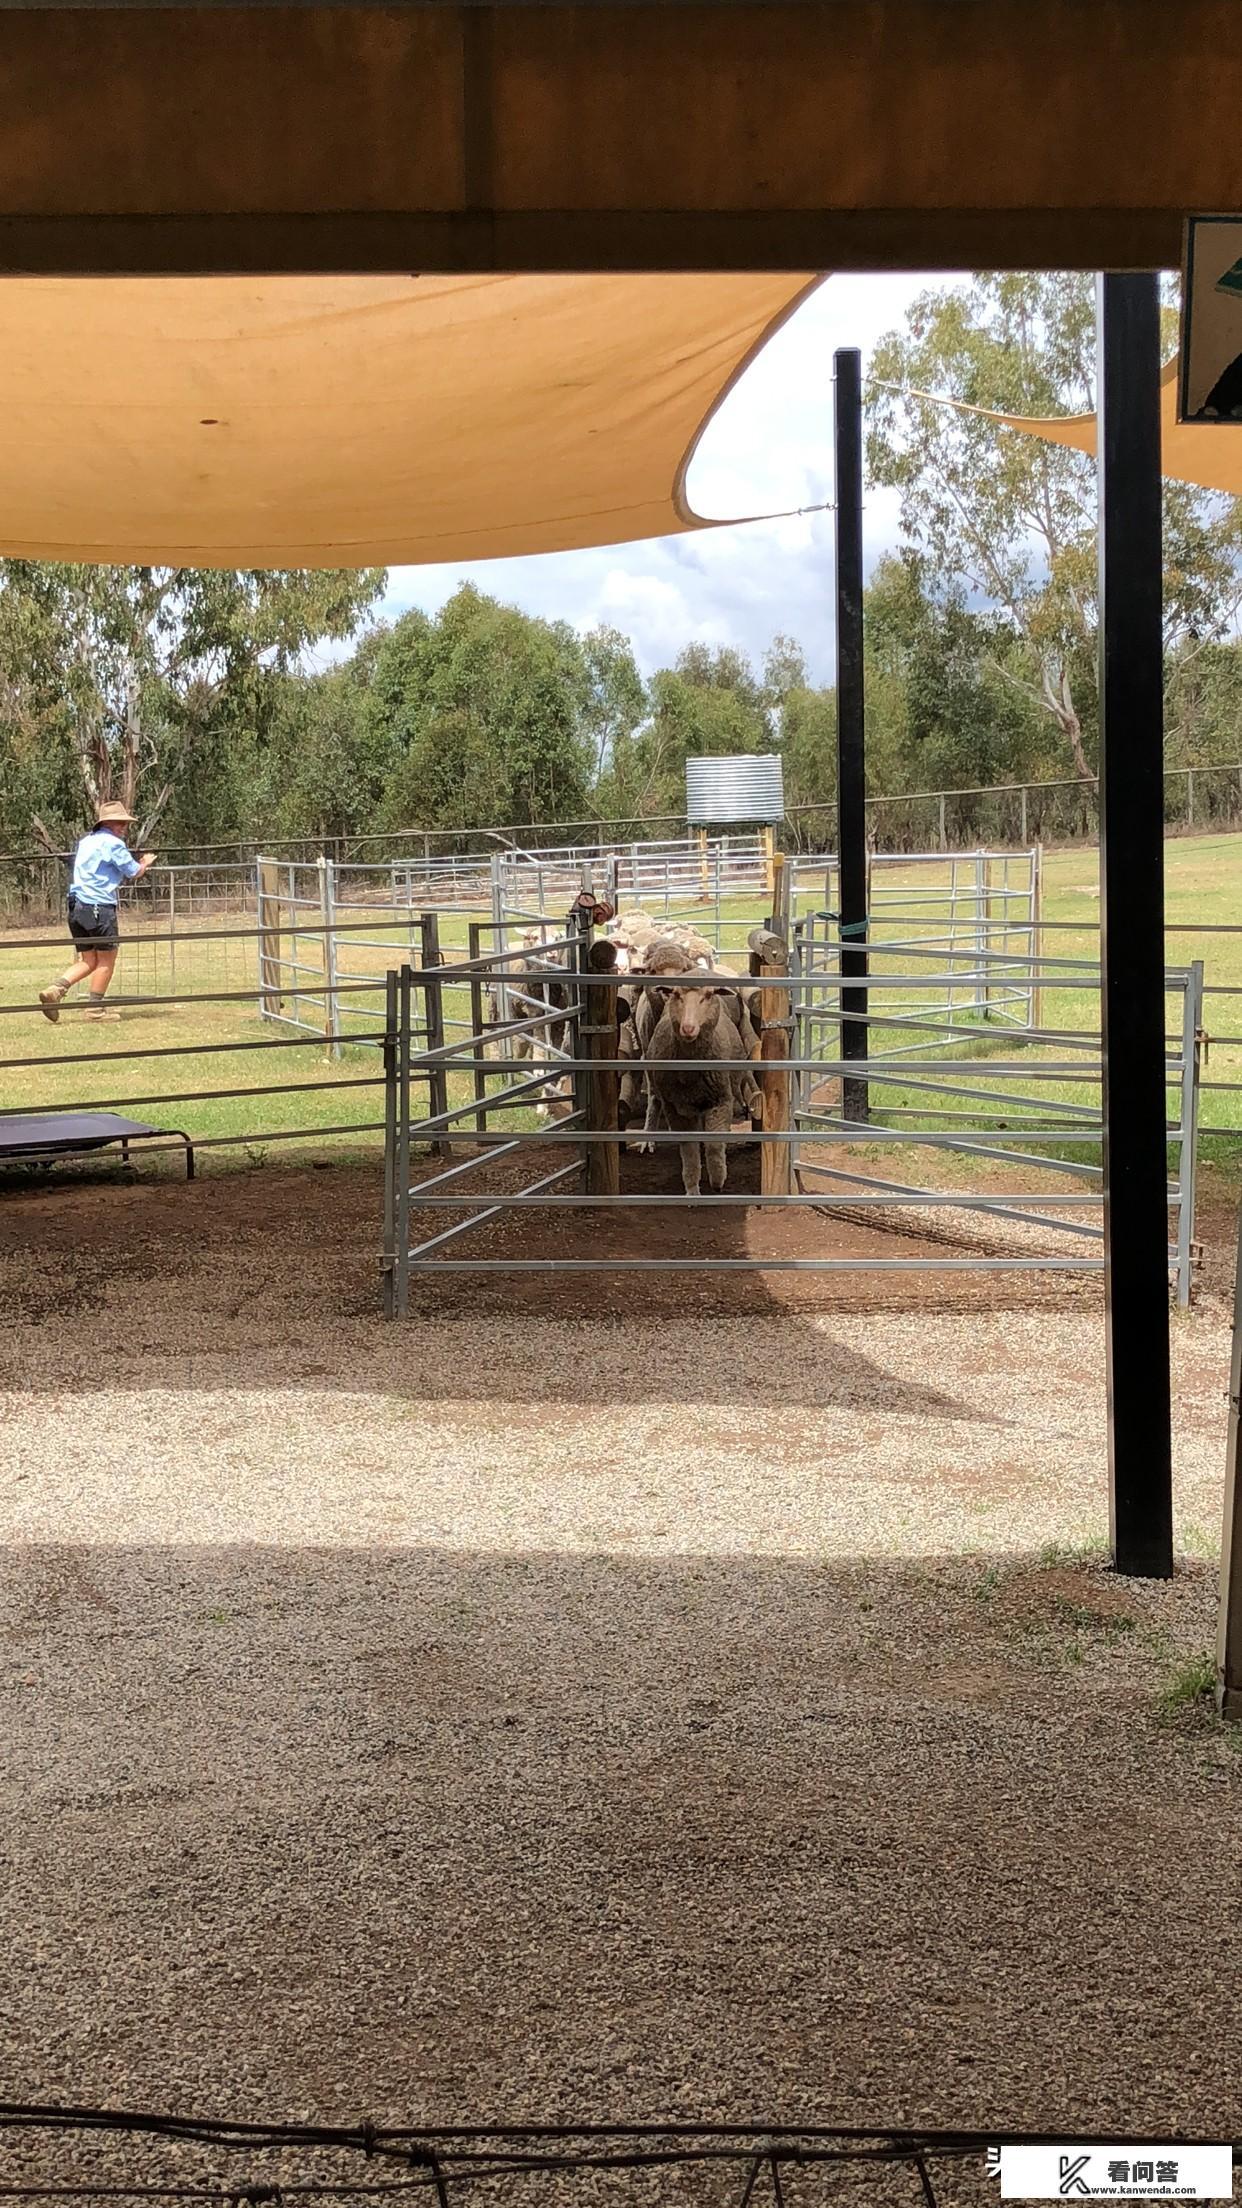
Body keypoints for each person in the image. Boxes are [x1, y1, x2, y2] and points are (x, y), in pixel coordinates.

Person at [38, 802, 156, 1023]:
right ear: (107, 823)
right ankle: (95, 1010)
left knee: (89, 959)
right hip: (99, 907)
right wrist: (144, 863)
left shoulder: (86, 842)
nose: (124, 827)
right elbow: (133, 872)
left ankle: (55, 990)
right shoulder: (113, 844)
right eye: (120, 823)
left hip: (76, 905)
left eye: (125, 823)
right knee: (106, 960)